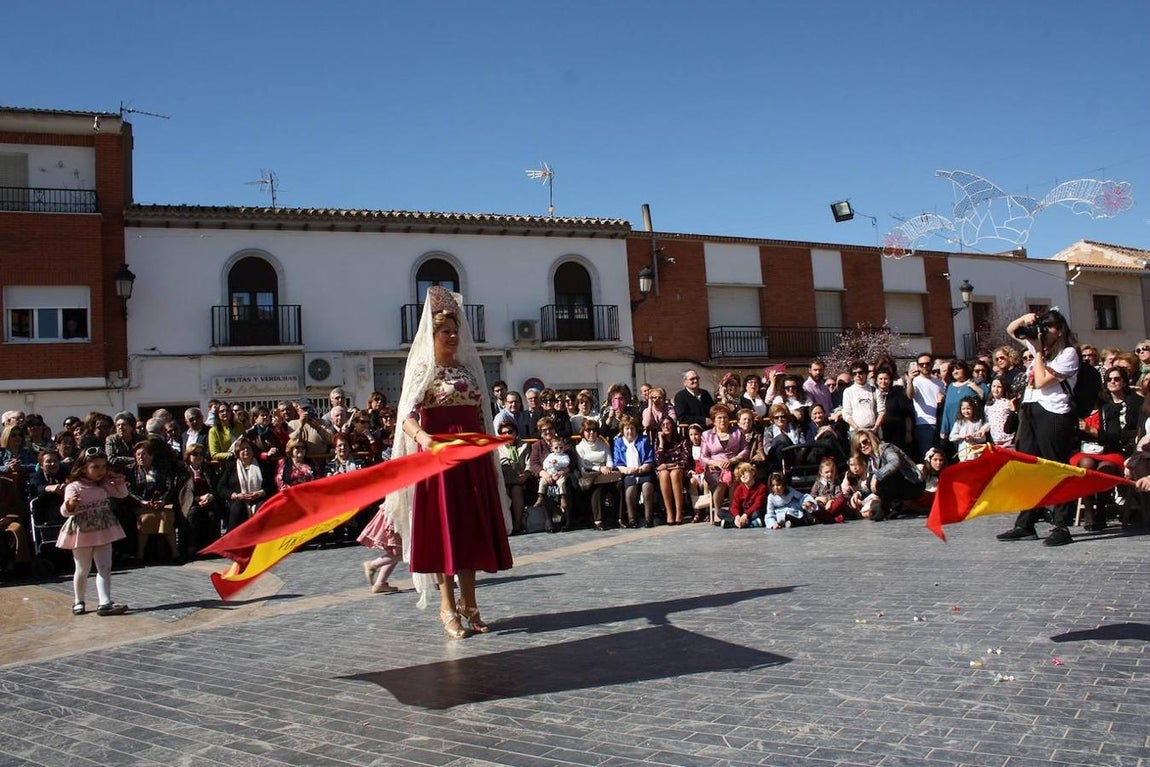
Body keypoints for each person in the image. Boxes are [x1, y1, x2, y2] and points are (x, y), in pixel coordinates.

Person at [377, 286, 511, 639]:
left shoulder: (467, 370)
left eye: (455, 330)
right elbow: (406, 414)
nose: (452, 336)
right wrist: (423, 438)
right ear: (432, 335)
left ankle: (471, 604)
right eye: (445, 331)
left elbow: (481, 414)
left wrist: (488, 447)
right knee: (445, 534)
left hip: (471, 462)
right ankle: (447, 606)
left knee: (470, 532)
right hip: (438, 463)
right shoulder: (424, 370)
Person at [996, 310, 1080, 547]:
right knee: (1027, 468)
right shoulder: (1041, 348)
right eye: (1043, 327)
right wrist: (1026, 319)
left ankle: (1061, 526)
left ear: (1060, 330)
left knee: (1055, 468)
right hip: (1031, 410)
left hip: (1054, 413)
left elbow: (1042, 381)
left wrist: (1039, 352)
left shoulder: (1068, 353)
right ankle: (1026, 523)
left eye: (1049, 327)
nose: (1044, 332)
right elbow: (1011, 330)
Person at [56, 448, 130, 616]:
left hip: (103, 528)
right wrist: (70, 505)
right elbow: (64, 511)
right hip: (83, 530)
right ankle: (79, 600)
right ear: (83, 467)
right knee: (82, 568)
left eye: (103, 467)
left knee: (104, 566)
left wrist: (119, 481)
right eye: (95, 467)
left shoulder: (103, 485)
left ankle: (104, 602)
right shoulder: (74, 486)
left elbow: (122, 494)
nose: (100, 471)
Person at [852, 428, 926, 521]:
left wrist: (877, 475)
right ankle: (896, 507)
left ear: (871, 439)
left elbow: (894, 462)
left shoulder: (885, 447)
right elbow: (870, 484)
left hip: (913, 484)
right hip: (900, 487)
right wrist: (859, 493)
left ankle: (889, 508)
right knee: (870, 482)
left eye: (865, 441)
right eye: (859, 445)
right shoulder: (871, 460)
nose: (863, 446)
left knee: (883, 478)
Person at [700, 404, 748, 516]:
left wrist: (732, 460)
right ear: (714, 421)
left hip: (734, 464)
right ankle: (718, 512)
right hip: (715, 467)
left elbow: (745, 450)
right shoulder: (706, 435)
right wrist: (716, 462)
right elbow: (703, 457)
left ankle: (733, 510)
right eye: (719, 418)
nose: (723, 420)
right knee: (720, 482)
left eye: (725, 417)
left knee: (735, 479)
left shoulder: (737, 432)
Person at [216, 438, 270, 532]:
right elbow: (221, 488)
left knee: (262, 507)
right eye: (242, 449)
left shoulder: (262, 465)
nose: (246, 451)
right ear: (237, 452)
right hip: (238, 500)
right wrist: (236, 495)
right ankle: (234, 540)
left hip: (258, 499)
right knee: (238, 507)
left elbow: (271, 486)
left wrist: (260, 493)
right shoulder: (231, 466)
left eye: (248, 448)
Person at [613, 414, 657, 528]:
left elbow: (650, 458)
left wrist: (642, 468)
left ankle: (649, 519)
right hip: (629, 473)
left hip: (644, 471)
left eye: (632, 428)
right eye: (627, 428)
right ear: (623, 430)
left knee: (647, 487)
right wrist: (627, 470)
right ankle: (632, 519)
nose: (630, 431)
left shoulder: (644, 440)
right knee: (630, 490)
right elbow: (618, 462)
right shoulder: (618, 442)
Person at [575, 418, 618, 531]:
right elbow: (583, 465)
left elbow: (609, 459)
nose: (591, 433)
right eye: (588, 430)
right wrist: (599, 468)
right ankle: (598, 520)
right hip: (590, 474)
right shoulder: (579, 447)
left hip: (605, 472)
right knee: (598, 488)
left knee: (619, 485)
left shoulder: (603, 444)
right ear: (583, 432)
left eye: (594, 430)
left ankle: (619, 516)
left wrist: (608, 467)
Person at [654, 415, 690, 526]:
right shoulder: (659, 441)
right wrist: (661, 443)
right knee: (664, 474)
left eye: (668, 424)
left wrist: (668, 466)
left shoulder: (682, 440)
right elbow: (658, 463)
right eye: (663, 425)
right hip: (665, 472)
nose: (666, 427)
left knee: (674, 474)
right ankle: (669, 513)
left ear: (673, 426)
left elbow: (685, 461)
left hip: (679, 471)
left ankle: (679, 512)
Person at [497, 421, 533, 534]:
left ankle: (517, 524)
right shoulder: (497, 448)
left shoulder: (524, 445)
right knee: (504, 491)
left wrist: (526, 475)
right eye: (504, 433)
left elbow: (530, 463)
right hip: (504, 480)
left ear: (515, 433)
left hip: (521, 480)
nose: (507, 435)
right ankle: (506, 523)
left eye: (510, 432)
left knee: (516, 489)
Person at [359, 505, 403, 595]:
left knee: (396, 551)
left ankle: (380, 583)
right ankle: (373, 565)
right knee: (404, 552)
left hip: (395, 513)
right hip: (399, 514)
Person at [720, 461, 767, 529]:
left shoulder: (761, 487)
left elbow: (758, 504)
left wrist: (746, 514)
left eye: (744, 473)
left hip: (752, 513)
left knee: (757, 514)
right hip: (741, 514)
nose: (743, 476)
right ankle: (743, 523)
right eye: (740, 476)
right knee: (720, 512)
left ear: (753, 472)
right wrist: (737, 516)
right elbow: (734, 506)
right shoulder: (738, 489)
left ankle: (732, 524)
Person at [948, 396, 989, 462]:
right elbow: (951, 437)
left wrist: (973, 437)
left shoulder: (978, 422)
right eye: (963, 409)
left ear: (973, 409)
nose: (966, 411)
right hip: (963, 454)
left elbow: (983, 439)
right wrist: (961, 436)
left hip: (975, 455)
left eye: (968, 408)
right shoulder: (959, 422)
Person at [808, 456, 847, 524]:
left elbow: (839, 494)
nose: (830, 474)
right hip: (821, 505)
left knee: (842, 499)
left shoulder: (836, 482)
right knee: (812, 506)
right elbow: (812, 495)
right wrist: (818, 498)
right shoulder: (818, 483)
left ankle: (825, 518)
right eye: (827, 472)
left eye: (832, 471)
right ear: (821, 473)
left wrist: (830, 501)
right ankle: (832, 519)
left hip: (832, 506)